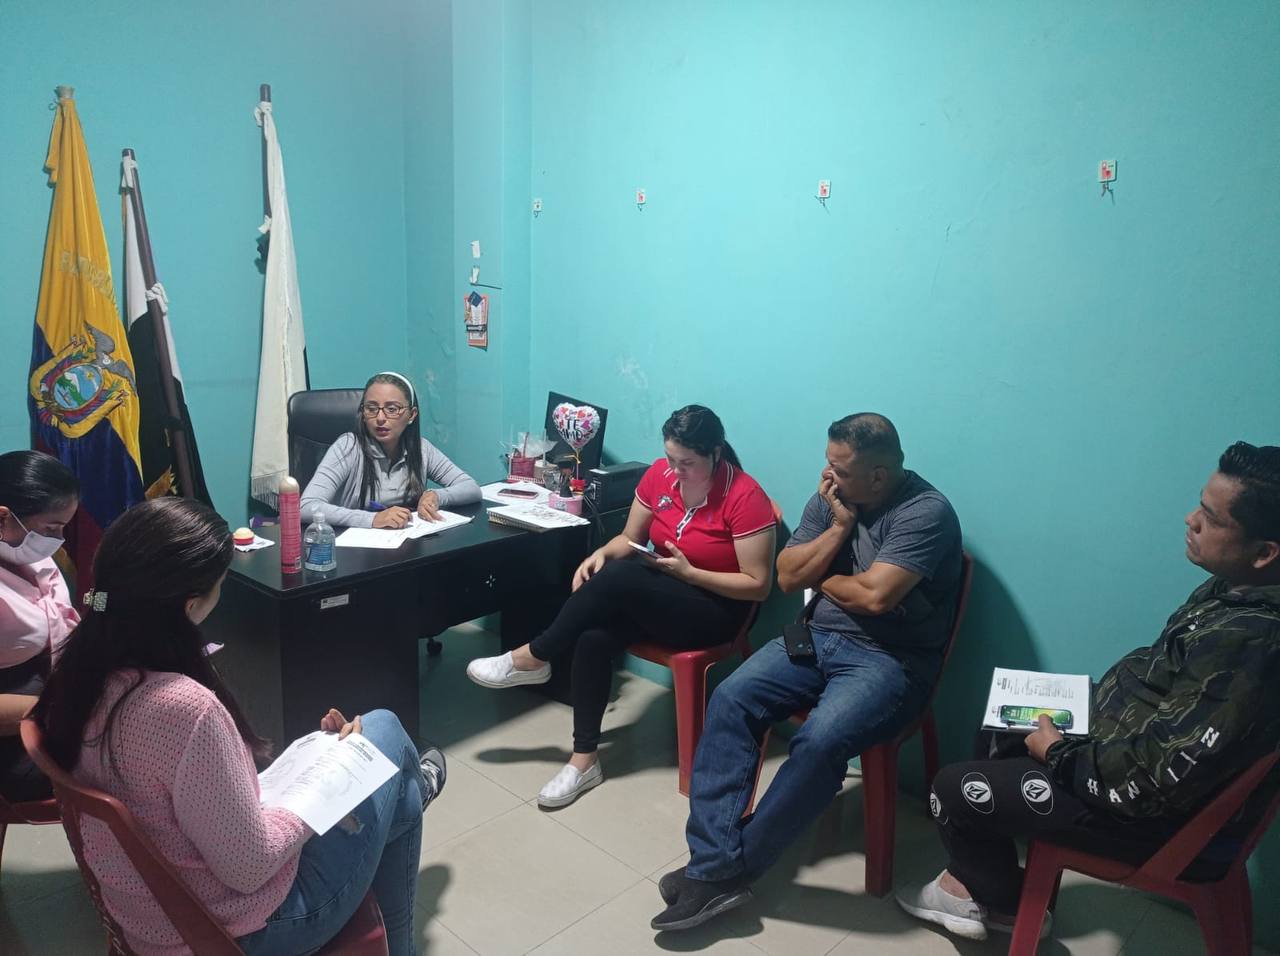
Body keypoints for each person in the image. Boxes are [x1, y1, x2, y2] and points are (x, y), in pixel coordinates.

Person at [896, 441, 1280, 942]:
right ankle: (988, 888)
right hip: (1122, 742)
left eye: (1210, 517)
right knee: (1001, 720)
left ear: (1264, 552)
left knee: (952, 789)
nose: (1191, 520)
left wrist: (1058, 754)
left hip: (1150, 816)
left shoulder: (1250, 643)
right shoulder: (1235, 588)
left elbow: (1157, 778)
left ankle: (989, 897)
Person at [31, 497, 446, 955]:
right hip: (236, 929)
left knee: (395, 790)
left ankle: (406, 791)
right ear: (191, 606)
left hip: (146, 915)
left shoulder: (79, 668)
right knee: (386, 732)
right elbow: (250, 867)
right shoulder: (181, 708)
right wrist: (322, 793)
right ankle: (412, 785)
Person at [652, 412, 963, 931]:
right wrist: (838, 530)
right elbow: (786, 575)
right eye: (828, 462)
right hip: (816, 637)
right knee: (731, 697)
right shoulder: (832, 499)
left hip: (890, 659)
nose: (827, 476)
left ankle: (723, 873)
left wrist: (825, 577)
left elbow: (875, 596)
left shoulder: (925, 513)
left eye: (840, 469)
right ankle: (714, 866)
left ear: (878, 477)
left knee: (820, 742)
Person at [466, 405, 777, 808]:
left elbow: (758, 587)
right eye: (671, 458)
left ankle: (535, 655)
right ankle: (584, 760)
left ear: (715, 453)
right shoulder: (660, 476)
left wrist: (691, 574)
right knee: (594, 636)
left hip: (716, 610)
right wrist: (601, 554)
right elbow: (630, 539)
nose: (676, 470)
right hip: (661, 594)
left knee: (620, 578)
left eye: (687, 463)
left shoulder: (745, 496)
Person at [301, 371, 480, 529]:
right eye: (371, 409)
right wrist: (373, 519)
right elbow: (306, 507)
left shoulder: (421, 448)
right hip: (356, 548)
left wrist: (435, 496)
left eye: (392, 409)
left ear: (411, 415)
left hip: (408, 544)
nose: (380, 418)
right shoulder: (349, 447)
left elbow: (471, 488)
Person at [0, 450, 79, 803]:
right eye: (51, 528)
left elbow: (65, 616)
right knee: (128, 762)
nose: (58, 539)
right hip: (13, 733)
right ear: (3, 517)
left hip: (49, 706)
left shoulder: (30, 556)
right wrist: (56, 709)